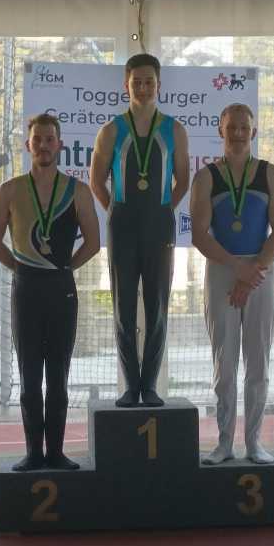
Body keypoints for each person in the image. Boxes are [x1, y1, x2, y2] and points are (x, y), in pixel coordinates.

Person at [0, 113, 100, 471]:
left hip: (61, 291)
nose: (44, 145)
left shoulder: (78, 191)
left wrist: (64, 269)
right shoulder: (9, 190)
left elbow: (94, 243)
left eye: (50, 139)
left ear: (59, 145)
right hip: (26, 292)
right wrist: (21, 269)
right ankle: (34, 452)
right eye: (38, 139)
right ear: (28, 145)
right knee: (30, 377)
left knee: (58, 378)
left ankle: (56, 453)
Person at [190, 103, 274, 464]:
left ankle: (254, 443)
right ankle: (224, 444)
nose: (237, 133)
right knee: (225, 362)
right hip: (222, 270)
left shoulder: (270, 174)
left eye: (244, 127)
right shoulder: (205, 177)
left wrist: (253, 271)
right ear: (220, 130)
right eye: (231, 127)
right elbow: (200, 235)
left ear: (254, 132)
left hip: (261, 270)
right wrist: (237, 268)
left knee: (258, 362)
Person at [90, 54, 189, 407]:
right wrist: (117, 211)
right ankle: (131, 386)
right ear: (126, 86)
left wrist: (161, 210)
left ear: (159, 85)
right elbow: (96, 181)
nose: (143, 88)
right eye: (137, 82)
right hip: (122, 225)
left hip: (159, 224)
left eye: (149, 82)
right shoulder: (111, 130)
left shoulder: (174, 130)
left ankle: (150, 386)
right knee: (124, 307)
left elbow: (183, 180)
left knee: (158, 305)